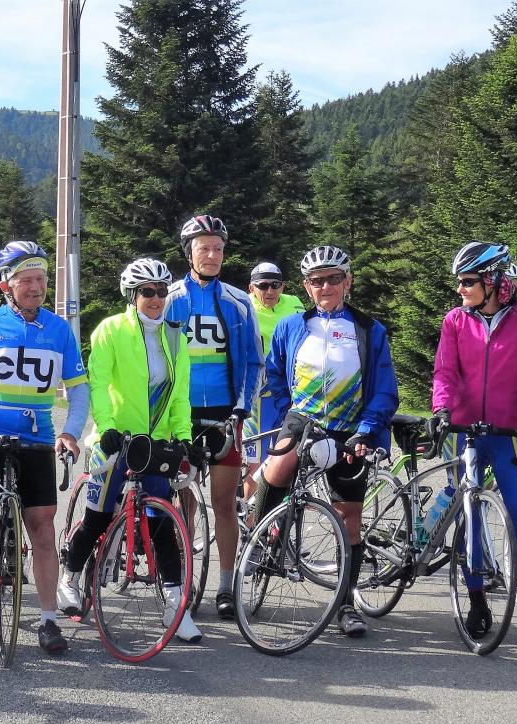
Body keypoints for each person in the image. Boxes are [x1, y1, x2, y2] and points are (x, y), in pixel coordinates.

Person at [0, 240, 89, 658]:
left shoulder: (59, 330)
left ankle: (48, 619)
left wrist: (70, 433)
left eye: (42, 279)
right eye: (26, 280)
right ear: (6, 284)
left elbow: (78, 391)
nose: (36, 287)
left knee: (43, 530)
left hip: (38, 440)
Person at [252, 246, 398, 638]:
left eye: (334, 278)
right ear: (307, 287)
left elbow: (384, 390)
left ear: (348, 282)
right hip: (304, 421)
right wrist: (288, 414)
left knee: (349, 518)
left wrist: (367, 430)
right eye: (317, 281)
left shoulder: (369, 330)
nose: (326, 286)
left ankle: (346, 604)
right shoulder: (292, 325)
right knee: (277, 468)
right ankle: (263, 537)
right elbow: (276, 372)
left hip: (352, 430)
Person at [58, 257, 202, 642]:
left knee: (161, 526)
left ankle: (175, 605)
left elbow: (180, 396)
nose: (155, 299)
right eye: (147, 292)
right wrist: (105, 429)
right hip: (116, 441)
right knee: (98, 518)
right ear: (132, 295)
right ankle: (69, 577)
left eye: (160, 292)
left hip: (154, 446)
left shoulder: (176, 336)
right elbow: (99, 382)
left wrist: (183, 437)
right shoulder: (110, 330)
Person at [429, 242, 517, 648]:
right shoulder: (455, 321)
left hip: (507, 436)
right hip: (466, 432)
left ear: (494, 282)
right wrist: (443, 410)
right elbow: (445, 373)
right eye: (459, 282)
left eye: (468, 282)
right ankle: (477, 603)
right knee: (471, 517)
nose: (460, 289)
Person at [163, 215, 262, 619]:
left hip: (225, 413)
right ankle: (183, 582)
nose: (212, 255)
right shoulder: (169, 299)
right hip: (182, 414)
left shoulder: (239, 300)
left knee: (224, 502)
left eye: (218, 248)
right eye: (204, 248)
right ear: (189, 253)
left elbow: (253, 362)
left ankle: (224, 585)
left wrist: (241, 408)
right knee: (182, 500)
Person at [244, 261, 305, 499]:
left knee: (287, 461)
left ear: (283, 286)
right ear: (252, 287)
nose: (269, 292)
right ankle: (250, 524)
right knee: (256, 466)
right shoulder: (244, 306)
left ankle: (276, 526)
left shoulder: (294, 304)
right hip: (257, 398)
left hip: (288, 392)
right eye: (263, 286)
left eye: (275, 285)